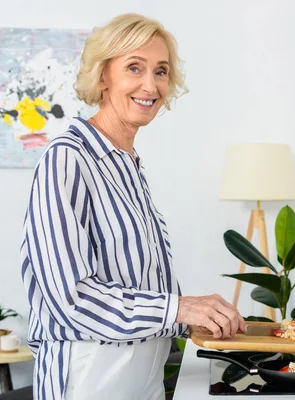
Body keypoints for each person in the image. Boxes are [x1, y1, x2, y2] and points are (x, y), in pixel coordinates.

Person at [19, 13, 246, 400]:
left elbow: (139, 287)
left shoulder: (127, 165)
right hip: (88, 378)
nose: (150, 84)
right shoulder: (67, 159)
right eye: (134, 68)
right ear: (103, 76)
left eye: (160, 71)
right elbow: (71, 299)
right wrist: (180, 309)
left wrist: (194, 318)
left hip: (144, 376)